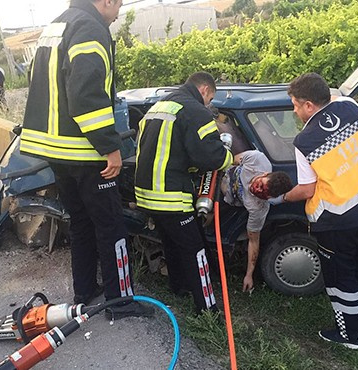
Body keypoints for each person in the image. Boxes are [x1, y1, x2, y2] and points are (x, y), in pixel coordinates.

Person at [20, 0, 152, 320]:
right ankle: (119, 302)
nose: (119, 10)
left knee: (80, 223)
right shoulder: (90, 28)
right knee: (111, 226)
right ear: (105, 1)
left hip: (56, 152)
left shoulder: (56, 25)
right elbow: (85, 96)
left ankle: (84, 290)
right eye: (118, 3)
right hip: (85, 152)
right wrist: (110, 147)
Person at [276, 72, 358, 349]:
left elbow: (307, 190)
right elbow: (336, 99)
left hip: (339, 221)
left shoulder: (305, 143)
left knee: (341, 279)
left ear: (309, 106)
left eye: (295, 104)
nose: (294, 110)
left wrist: (282, 197)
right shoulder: (350, 107)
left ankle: (351, 337)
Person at [134, 71, 233, 314]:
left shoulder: (160, 106)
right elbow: (211, 156)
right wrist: (228, 156)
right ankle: (207, 308)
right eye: (210, 99)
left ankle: (179, 287)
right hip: (170, 196)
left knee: (172, 242)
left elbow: (170, 150)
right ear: (205, 90)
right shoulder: (195, 110)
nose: (209, 105)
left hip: (147, 194)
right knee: (195, 249)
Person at [220, 150, 292, 292]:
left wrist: (249, 275)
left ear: (269, 198)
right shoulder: (257, 160)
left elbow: (253, 241)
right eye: (260, 185)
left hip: (223, 202)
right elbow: (231, 159)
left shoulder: (259, 208)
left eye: (263, 194)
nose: (256, 190)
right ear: (264, 174)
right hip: (219, 175)